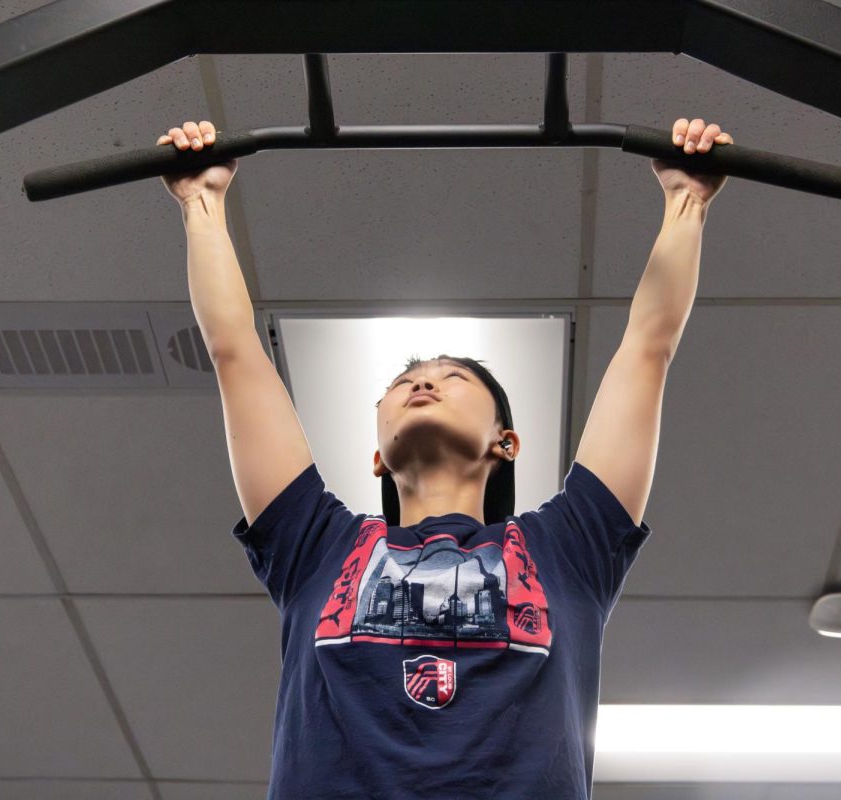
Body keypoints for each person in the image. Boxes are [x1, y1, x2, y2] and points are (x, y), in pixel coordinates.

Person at [158, 116, 734, 799]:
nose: (423, 382)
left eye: (454, 378)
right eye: (403, 382)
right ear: (376, 457)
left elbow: (648, 349)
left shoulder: (568, 548)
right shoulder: (316, 545)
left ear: (506, 442)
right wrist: (201, 202)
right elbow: (235, 353)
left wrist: (686, 201)